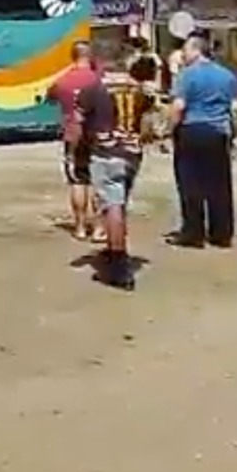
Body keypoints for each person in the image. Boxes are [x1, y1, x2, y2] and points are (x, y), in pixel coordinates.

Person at [71, 56, 159, 290]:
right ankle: (114, 248)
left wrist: (76, 150)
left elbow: (77, 123)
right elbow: (149, 125)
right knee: (119, 203)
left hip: (105, 153)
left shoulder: (92, 90)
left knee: (112, 205)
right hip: (132, 154)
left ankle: (118, 261)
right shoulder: (142, 91)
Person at [167, 32, 237, 249]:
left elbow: (179, 106)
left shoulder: (187, 75)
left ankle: (193, 232)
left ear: (196, 50)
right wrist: (233, 135)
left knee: (190, 184)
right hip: (218, 132)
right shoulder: (227, 76)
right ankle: (221, 233)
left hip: (192, 131)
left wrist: (171, 130)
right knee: (219, 185)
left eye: (186, 50)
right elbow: (234, 110)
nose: (184, 55)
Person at [45, 41, 102, 242]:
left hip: (72, 135)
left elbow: (49, 96)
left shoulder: (64, 80)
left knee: (78, 181)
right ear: (91, 55)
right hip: (96, 135)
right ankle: (98, 228)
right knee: (97, 181)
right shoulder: (98, 80)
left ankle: (79, 227)